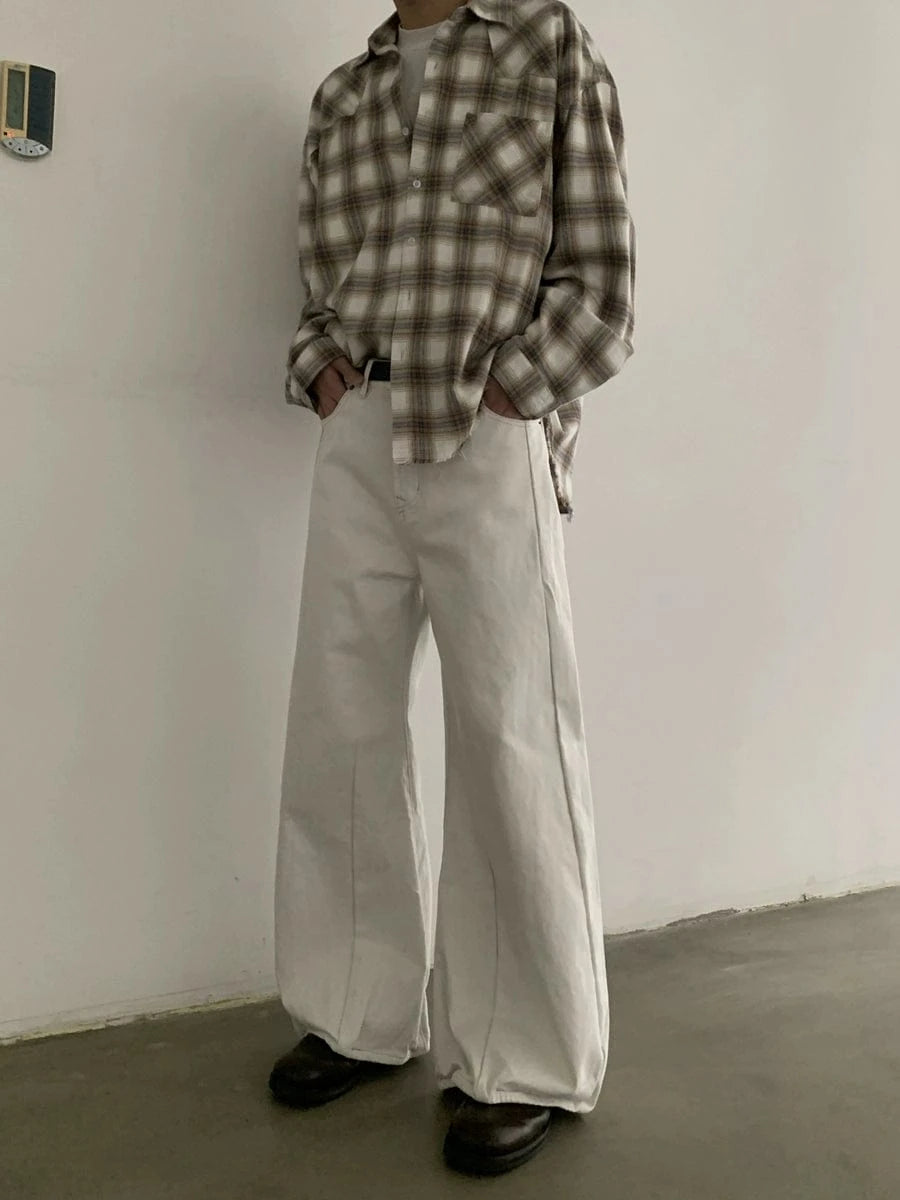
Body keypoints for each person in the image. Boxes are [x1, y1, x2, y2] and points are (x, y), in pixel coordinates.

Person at [269, 0, 636, 1177]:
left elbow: (601, 279)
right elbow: (322, 285)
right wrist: (323, 370)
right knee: (340, 725)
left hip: (484, 427)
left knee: (509, 732)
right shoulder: (345, 94)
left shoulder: (546, 44)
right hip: (361, 430)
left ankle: (524, 1056)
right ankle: (356, 1014)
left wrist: (517, 393)